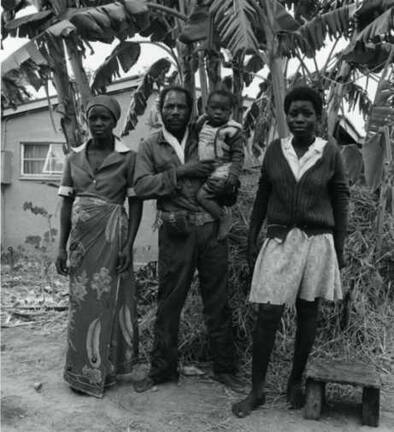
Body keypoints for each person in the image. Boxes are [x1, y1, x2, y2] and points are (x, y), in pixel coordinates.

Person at [232, 86, 349, 417]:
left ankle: (294, 382)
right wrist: (252, 238)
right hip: (281, 240)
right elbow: (262, 198)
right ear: (286, 116)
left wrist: (339, 248)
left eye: (307, 113)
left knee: (307, 313)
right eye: (293, 113)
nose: (299, 118)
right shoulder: (274, 151)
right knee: (268, 314)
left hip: (317, 242)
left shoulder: (330, 153)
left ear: (318, 117)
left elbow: (340, 200)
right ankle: (256, 391)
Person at [133, 86, 242, 393]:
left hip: (210, 229)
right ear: (161, 109)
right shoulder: (150, 145)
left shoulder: (207, 135)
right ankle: (162, 370)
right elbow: (141, 186)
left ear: (192, 110)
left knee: (218, 301)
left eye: (182, 106)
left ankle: (225, 369)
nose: (176, 112)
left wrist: (227, 186)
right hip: (176, 231)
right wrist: (182, 172)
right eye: (170, 106)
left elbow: (229, 165)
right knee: (169, 301)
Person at [56, 95, 143, 398]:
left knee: (109, 302)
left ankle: (105, 370)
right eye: (93, 118)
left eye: (105, 118)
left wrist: (128, 245)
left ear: (115, 122)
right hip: (81, 244)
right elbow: (66, 204)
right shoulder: (73, 157)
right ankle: (79, 372)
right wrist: (61, 247)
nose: (98, 124)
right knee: (81, 305)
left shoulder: (128, 157)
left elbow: (136, 203)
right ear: (87, 121)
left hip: (111, 239)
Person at [196, 89, 244, 240]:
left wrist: (233, 176)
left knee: (202, 196)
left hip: (222, 169)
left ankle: (223, 216)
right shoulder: (203, 125)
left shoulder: (232, 130)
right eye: (213, 108)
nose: (218, 112)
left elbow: (238, 154)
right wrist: (204, 117)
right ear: (206, 109)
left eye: (223, 110)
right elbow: (195, 129)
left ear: (230, 112)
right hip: (208, 169)